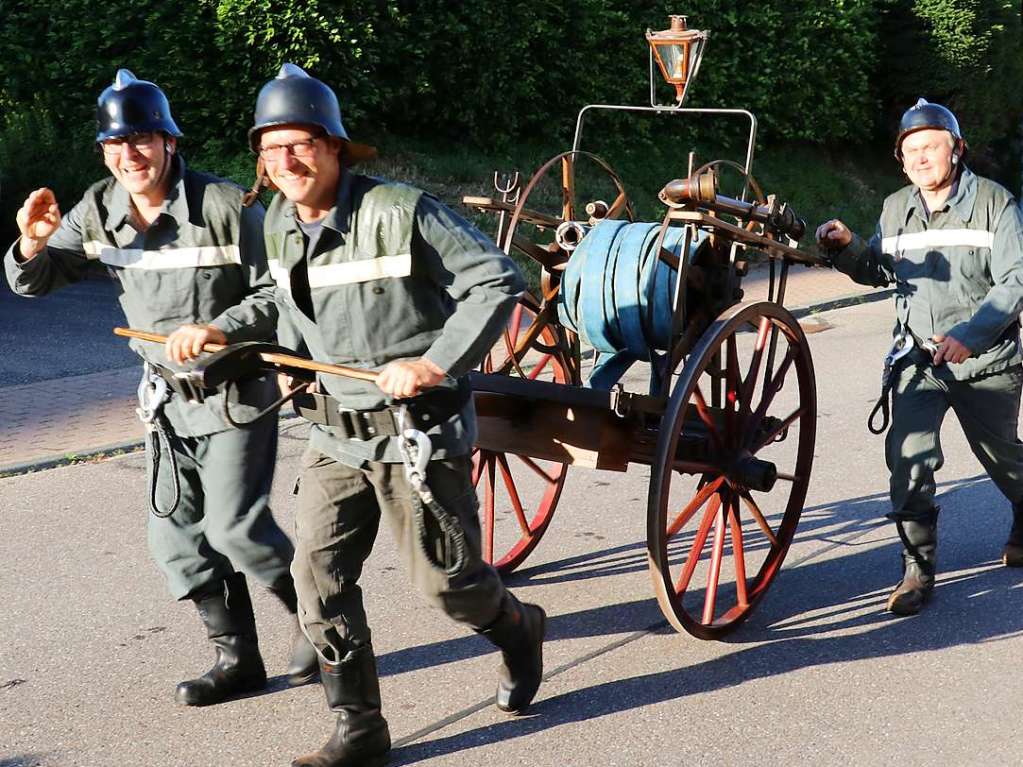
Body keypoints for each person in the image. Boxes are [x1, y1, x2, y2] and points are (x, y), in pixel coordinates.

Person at [247, 64, 546, 767]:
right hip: (333, 437)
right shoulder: (276, 223)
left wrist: (435, 362)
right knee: (316, 579)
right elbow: (274, 302)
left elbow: (496, 280)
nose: (286, 161)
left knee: (452, 587)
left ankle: (520, 630)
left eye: (301, 144)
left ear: (334, 146)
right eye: (271, 148)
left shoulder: (400, 210)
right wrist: (217, 330)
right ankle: (359, 725)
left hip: (415, 435)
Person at [4, 69, 317, 705]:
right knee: (173, 536)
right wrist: (30, 244)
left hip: (235, 391)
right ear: (103, 151)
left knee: (236, 528)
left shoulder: (226, 207)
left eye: (142, 139)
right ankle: (238, 660)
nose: (129, 154)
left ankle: (320, 621)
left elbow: (281, 290)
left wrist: (217, 328)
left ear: (170, 142)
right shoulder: (97, 208)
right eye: (116, 144)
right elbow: (34, 283)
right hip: (167, 402)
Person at [816, 98, 1023, 616]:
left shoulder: (996, 203)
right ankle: (917, 570)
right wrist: (847, 247)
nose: (921, 158)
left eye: (931, 147)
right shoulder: (895, 207)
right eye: (911, 151)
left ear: (956, 150)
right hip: (918, 360)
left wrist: (971, 335)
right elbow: (882, 270)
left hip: (986, 361)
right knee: (908, 460)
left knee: (1005, 462)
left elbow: (1015, 280)